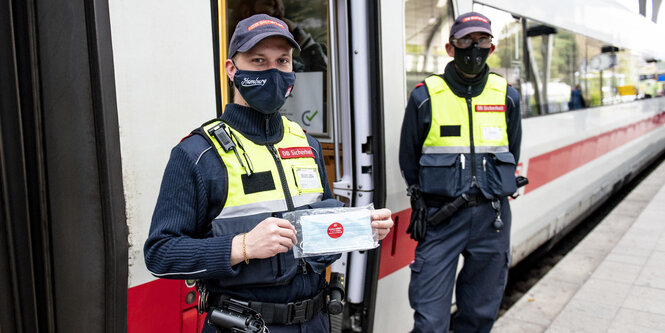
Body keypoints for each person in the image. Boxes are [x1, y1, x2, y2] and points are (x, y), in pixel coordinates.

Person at [144, 14, 393, 333]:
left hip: (315, 321)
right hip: (244, 325)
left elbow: (317, 233)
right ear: (232, 69)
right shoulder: (197, 154)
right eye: (258, 60)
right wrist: (243, 246)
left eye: (283, 60)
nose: (273, 71)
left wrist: (358, 227)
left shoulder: (308, 145)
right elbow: (160, 254)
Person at [398, 12, 522, 333]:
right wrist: (420, 198)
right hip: (440, 217)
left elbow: (513, 149)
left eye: (482, 41)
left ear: (491, 49)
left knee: (479, 315)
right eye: (465, 41)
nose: (474, 48)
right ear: (450, 48)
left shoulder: (507, 95)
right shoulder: (425, 96)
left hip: (492, 218)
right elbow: (408, 157)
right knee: (429, 320)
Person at [232, 0, 328, 72]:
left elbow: (323, 82)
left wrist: (299, 35)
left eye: (282, 9)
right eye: (271, 5)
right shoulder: (222, 52)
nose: (279, 13)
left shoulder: (288, 65)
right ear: (246, 11)